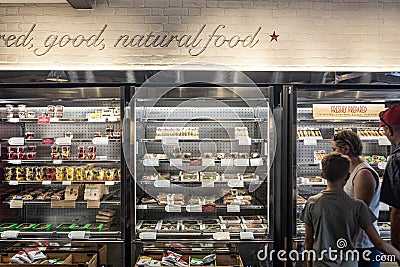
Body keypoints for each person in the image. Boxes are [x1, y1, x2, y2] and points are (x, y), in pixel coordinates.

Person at [300, 152, 400, 267]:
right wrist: (397, 255)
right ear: (347, 176)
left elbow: (308, 240)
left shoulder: (312, 203)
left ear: (322, 175)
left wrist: (307, 262)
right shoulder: (358, 206)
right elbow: (379, 242)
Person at [332, 130, 381, 266]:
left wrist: (349, 249)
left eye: (334, 149)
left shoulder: (363, 174)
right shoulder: (350, 171)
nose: (332, 153)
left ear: (346, 149)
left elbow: (360, 216)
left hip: (362, 248)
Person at [379, 104, 400, 251]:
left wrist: (396, 246)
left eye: (384, 129)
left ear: (390, 130)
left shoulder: (396, 159)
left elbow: (398, 210)